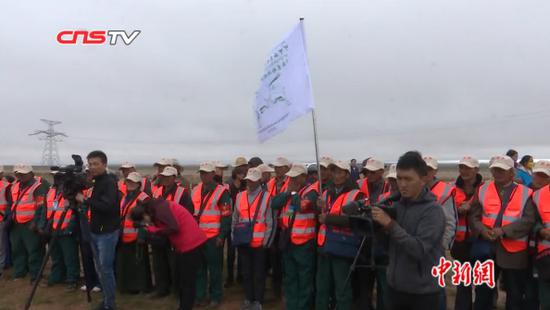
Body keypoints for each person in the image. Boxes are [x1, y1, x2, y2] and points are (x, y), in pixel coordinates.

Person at [371, 151, 445, 310]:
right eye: (399, 178)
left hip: (423, 293)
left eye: (408, 179)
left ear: (423, 179)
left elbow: (418, 249)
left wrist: (390, 225)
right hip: (395, 288)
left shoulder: (433, 211)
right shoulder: (396, 205)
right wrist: (378, 228)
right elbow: (390, 246)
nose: (402, 184)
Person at [469, 155, 536, 310]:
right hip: (486, 249)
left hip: (514, 253)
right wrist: (482, 230)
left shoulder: (526, 193)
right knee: (482, 293)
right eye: (495, 169)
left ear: (512, 172)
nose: (497, 173)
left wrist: (503, 231)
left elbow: (528, 221)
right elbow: (474, 216)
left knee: (514, 294)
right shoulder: (482, 190)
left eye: (501, 170)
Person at [132, 198, 207, 310]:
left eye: (144, 220)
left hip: (191, 245)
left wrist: (153, 230)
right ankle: (184, 306)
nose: (146, 222)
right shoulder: (158, 208)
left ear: (144, 213)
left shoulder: (160, 209)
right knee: (181, 281)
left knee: (187, 283)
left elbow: (173, 227)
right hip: (184, 247)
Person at [316, 160, 365, 310]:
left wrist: (328, 218)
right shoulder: (326, 192)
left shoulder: (357, 195)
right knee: (322, 288)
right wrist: (319, 208)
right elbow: (320, 216)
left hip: (342, 248)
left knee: (342, 289)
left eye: (339, 172)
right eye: (334, 172)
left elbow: (356, 221)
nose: (335, 175)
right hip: (324, 246)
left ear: (347, 174)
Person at [76, 151, 120, 310]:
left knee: (105, 269)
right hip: (96, 230)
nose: (92, 167)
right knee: (100, 268)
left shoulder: (108, 182)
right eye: (90, 164)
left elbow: (107, 206)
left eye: (96, 164)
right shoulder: (98, 181)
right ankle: (107, 299)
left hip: (106, 233)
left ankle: (109, 304)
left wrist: (85, 200)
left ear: (105, 164)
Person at [271, 164, 318, 310]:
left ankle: (303, 307)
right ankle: (292, 306)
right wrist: (288, 193)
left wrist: (292, 194)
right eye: (290, 177)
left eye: (295, 177)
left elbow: (301, 207)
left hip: (304, 243)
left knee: (304, 280)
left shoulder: (312, 191)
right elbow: (275, 203)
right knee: (290, 277)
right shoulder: (290, 191)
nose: (292, 180)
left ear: (304, 177)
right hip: (289, 240)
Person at [232, 167, 274, 310]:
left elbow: (270, 222)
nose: (250, 183)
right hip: (243, 242)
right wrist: (234, 236)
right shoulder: (240, 196)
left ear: (259, 181)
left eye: (253, 180)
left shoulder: (267, 197)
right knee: (246, 273)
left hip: (259, 244)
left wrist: (266, 243)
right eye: (248, 180)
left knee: (258, 274)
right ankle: (248, 298)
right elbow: (235, 218)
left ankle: (258, 301)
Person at [191, 162, 232, 308]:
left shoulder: (222, 192)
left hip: (213, 238)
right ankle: (199, 296)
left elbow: (226, 216)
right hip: (198, 237)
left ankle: (216, 296)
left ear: (213, 174)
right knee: (199, 269)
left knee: (215, 269)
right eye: (201, 173)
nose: (203, 176)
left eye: (206, 173)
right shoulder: (195, 189)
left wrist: (222, 236)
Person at [354, 158, 391, 310]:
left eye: (373, 172)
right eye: (366, 172)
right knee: (364, 284)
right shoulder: (359, 185)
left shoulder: (390, 186)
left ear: (382, 172)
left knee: (384, 286)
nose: (369, 174)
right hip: (363, 241)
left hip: (383, 242)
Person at [151, 166, 192, 298]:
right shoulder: (157, 191)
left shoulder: (182, 193)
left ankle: (177, 290)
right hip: (160, 232)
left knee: (175, 263)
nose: (165, 179)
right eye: (163, 176)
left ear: (174, 178)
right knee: (159, 262)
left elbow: (188, 213)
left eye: (168, 177)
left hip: (175, 233)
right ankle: (162, 289)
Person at [451, 156, 483, 310]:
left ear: (476, 170)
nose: (464, 171)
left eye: (468, 168)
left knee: (482, 284)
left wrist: (472, 208)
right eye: (462, 167)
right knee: (463, 284)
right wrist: (458, 209)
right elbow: (447, 212)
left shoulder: (485, 189)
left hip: (480, 242)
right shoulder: (452, 189)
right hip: (460, 244)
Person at [10, 164, 49, 283]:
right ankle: (19, 272)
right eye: (18, 173)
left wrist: (36, 223)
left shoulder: (38, 187)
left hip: (30, 224)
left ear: (31, 174)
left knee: (34, 250)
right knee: (17, 249)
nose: (20, 176)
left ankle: (35, 275)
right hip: (16, 223)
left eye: (23, 173)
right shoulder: (15, 186)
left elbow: (41, 207)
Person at [116, 172, 152, 294]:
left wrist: (142, 236)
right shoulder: (125, 197)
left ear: (138, 184)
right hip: (124, 235)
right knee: (126, 263)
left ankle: (141, 287)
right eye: (128, 181)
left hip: (137, 235)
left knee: (139, 263)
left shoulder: (144, 198)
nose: (129, 184)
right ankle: (127, 286)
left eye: (132, 182)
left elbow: (146, 219)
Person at [45, 184, 80, 290]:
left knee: (70, 257)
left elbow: (76, 211)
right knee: (56, 256)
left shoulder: (72, 191)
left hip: (66, 229)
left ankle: (72, 280)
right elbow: (49, 208)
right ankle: (57, 276)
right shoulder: (52, 191)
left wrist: (70, 228)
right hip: (54, 228)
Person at [266, 157, 292, 299]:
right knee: (274, 258)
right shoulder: (270, 183)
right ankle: (276, 289)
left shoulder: (291, 183)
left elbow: (292, 205)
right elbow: (270, 203)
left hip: (285, 226)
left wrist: (286, 216)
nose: (277, 169)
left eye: (280, 167)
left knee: (285, 258)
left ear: (287, 168)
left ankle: (285, 288)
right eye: (276, 167)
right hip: (272, 225)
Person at [226, 156, 249, 287]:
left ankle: (240, 276)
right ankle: (230, 277)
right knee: (230, 251)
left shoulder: (247, 184)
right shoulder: (228, 184)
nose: (242, 170)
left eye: (244, 167)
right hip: (231, 221)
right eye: (239, 168)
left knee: (241, 250)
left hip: (243, 222)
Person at [532, 160, 550, 310]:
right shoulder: (535, 196)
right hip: (544, 255)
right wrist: (540, 230)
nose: (538, 178)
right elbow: (532, 220)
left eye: (543, 175)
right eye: (536, 174)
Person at [0, 165, 12, 279]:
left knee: (2, 246)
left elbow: (10, 203)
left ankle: (2, 266)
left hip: (2, 219)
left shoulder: (7, 186)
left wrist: (6, 217)